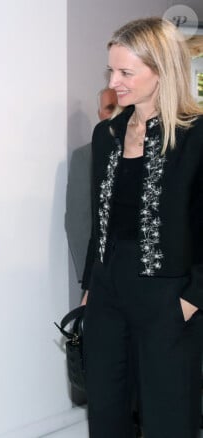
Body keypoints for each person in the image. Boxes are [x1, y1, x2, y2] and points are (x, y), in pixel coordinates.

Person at [80, 17, 203, 438]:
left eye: (126, 72)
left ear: (162, 71)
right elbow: (101, 221)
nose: (115, 82)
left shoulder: (195, 135)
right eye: (111, 71)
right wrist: (90, 285)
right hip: (107, 289)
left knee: (170, 419)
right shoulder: (107, 133)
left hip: (168, 293)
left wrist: (191, 299)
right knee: (107, 415)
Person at [66, 87, 118, 284]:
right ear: (99, 114)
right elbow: (77, 222)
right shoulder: (85, 157)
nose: (116, 114)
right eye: (110, 108)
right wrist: (89, 277)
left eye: (122, 107)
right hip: (102, 275)